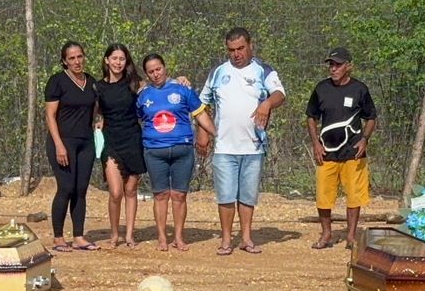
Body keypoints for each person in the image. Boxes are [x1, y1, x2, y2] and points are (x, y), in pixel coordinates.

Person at [200, 27, 286, 255]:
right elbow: (202, 104)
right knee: (226, 195)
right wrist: (203, 132)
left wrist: (267, 104)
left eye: (240, 48)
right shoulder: (218, 72)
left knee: (247, 195)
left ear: (250, 46)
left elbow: (279, 94)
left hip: (253, 146)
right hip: (224, 146)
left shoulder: (263, 70)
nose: (236, 54)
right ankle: (226, 239)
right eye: (231, 50)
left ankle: (246, 238)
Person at [136, 53, 215, 252]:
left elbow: (200, 114)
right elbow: (133, 120)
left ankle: (179, 236)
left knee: (179, 195)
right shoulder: (142, 95)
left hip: (183, 150)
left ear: (165, 67)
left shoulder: (182, 89)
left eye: (158, 69)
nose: (156, 74)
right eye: (151, 71)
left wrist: (216, 133)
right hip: (154, 151)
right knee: (161, 195)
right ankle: (162, 237)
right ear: (146, 74)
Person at [306, 47, 377, 249]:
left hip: (353, 153)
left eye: (337, 64)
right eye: (331, 64)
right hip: (327, 152)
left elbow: (371, 117)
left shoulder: (360, 89)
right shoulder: (321, 88)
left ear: (349, 66)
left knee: (354, 195)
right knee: (324, 195)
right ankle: (326, 234)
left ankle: (351, 236)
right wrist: (316, 144)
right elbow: (311, 117)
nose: (333, 68)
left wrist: (364, 139)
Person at [44, 41, 99, 251]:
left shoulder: (91, 82)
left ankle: (78, 236)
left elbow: (95, 109)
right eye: (72, 58)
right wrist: (59, 145)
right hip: (63, 141)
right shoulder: (57, 82)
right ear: (64, 61)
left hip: (85, 142)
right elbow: (50, 115)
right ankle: (58, 237)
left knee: (80, 189)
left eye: (79, 57)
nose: (77, 61)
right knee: (66, 188)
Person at [95, 43, 146, 249]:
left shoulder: (136, 84)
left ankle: (130, 235)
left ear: (127, 62)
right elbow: (91, 111)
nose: (118, 62)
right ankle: (114, 233)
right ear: (106, 60)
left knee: (131, 190)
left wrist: (180, 80)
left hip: (133, 139)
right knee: (116, 192)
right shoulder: (97, 87)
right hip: (110, 141)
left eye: (122, 59)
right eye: (114, 58)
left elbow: (160, 84)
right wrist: (97, 121)